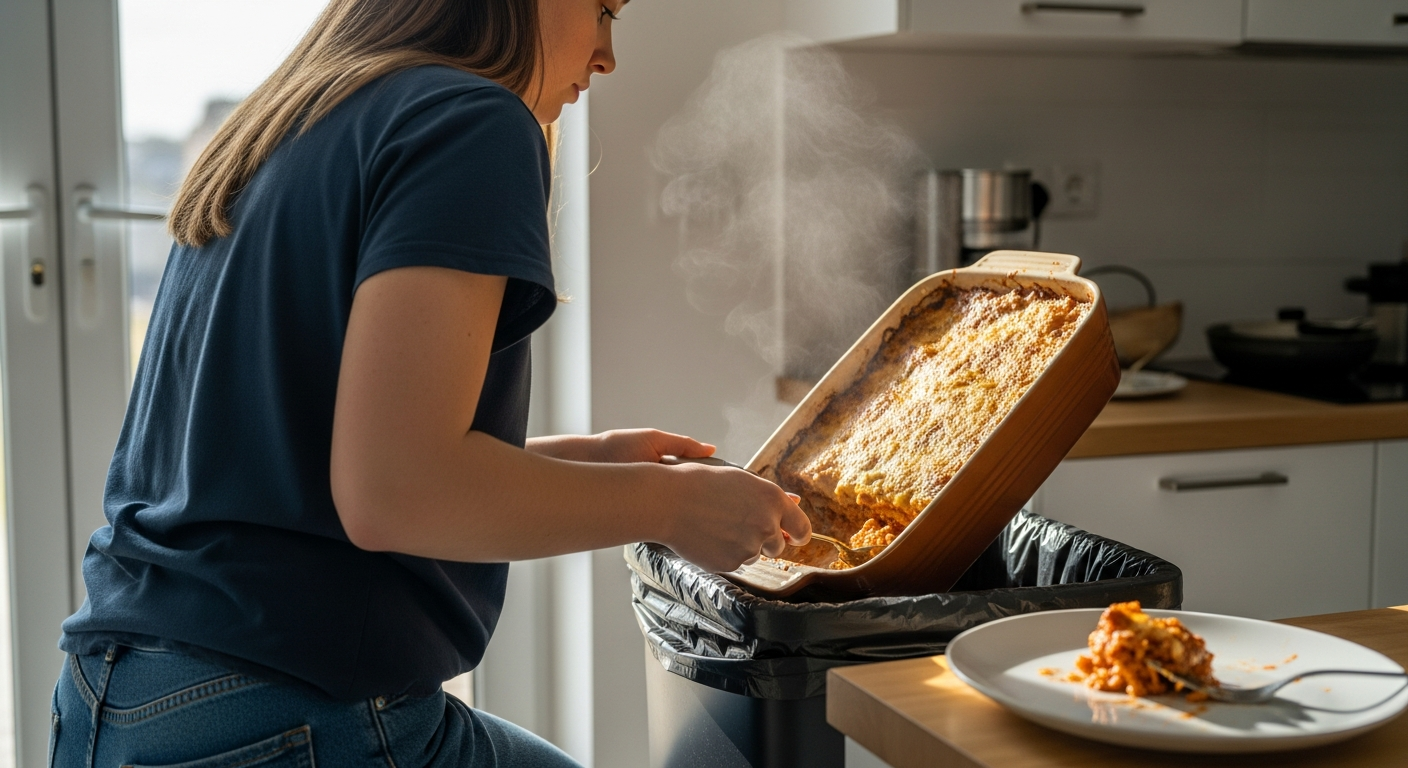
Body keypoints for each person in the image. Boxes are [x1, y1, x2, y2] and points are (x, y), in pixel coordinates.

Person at [50, 1, 811, 766]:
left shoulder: (288, 120)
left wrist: (597, 458)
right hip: (277, 715)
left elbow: (304, 464)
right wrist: (671, 506)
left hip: (117, 697)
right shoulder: (471, 120)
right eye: (603, 9)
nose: (607, 55)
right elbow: (394, 492)